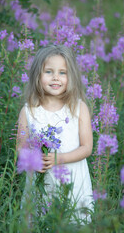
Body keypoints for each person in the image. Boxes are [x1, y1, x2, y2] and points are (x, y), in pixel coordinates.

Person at [16, 44, 94, 223]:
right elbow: (21, 147)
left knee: (72, 222)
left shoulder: (78, 107)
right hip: (40, 185)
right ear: (37, 75)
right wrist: (33, 160)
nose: (56, 78)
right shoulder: (28, 111)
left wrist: (59, 158)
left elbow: (87, 147)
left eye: (62, 72)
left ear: (71, 76)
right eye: (48, 72)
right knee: (39, 222)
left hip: (73, 185)